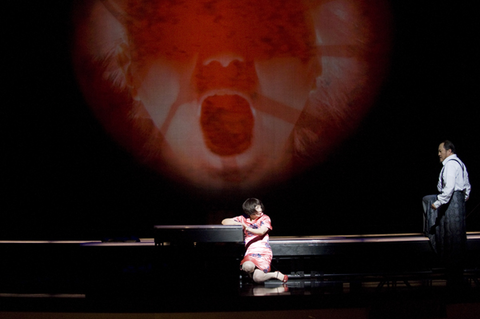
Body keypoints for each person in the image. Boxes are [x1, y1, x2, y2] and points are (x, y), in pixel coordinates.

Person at [422, 140, 471, 276]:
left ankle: (452, 273)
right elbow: (467, 187)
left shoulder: (450, 165)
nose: (438, 154)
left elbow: (448, 189)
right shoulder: (460, 164)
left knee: (450, 238)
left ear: (449, 151)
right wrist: (461, 200)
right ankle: (456, 272)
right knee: (457, 238)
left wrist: (437, 203)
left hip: (450, 204)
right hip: (458, 204)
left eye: (440, 151)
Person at [222, 198, 288, 284]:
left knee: (258, 278)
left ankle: (275, 275)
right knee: (247, 267)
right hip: (250, 251)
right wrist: (239, 223)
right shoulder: (243, 218)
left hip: (263, 252)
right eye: (257, 208)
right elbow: (224, 221)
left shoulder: (265, 218)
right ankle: (251, 275)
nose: (260, 210)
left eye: (260, 207)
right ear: (250, 211)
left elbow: (261, 231)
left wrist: (247, 228)